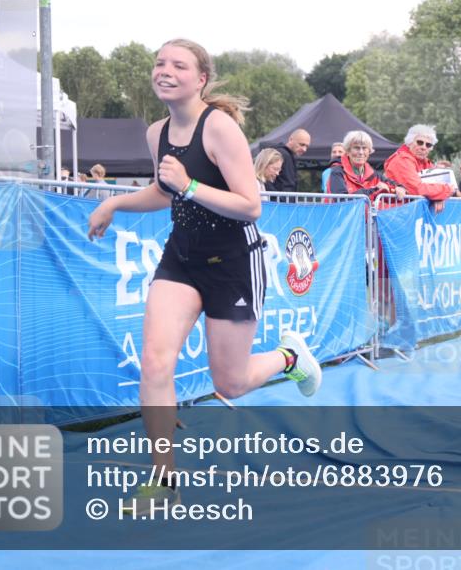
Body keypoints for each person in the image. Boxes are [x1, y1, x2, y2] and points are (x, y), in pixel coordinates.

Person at [86, 38, 321, 515]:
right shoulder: (156, 133)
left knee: (230, 384)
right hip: (182, 258)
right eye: (159, 63)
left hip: (233, 260)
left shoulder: (220, 129)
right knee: (154, 364)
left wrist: (190, 185)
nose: (164, 70)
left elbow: (250, 205)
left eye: (178, 65)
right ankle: (163, 480)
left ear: (201, 80)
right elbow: (163, 191)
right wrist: (113, 201)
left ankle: (290, 356)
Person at [383, 124, 454, 212]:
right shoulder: (401, 160)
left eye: (428, 145)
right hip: (397, 215)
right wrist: (445, 191)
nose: (423, 147)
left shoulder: (425, 162)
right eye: (420, 142)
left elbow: (436, 184)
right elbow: (416, 189)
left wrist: (439, 197)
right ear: (409, 142)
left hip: (411, 213)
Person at [327, 131, 406, 199]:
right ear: (347, 151)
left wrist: (399, 188)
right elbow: (342, 201)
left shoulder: (373, 174)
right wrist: (374, 190)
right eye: (357, 148)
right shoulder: (337, 171)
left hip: (364, 216)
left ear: (369, 152)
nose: (361, 152)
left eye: (364, 148)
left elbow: (390, 186)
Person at [266, 128, 310, 192]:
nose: (304, 149)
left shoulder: (287, 155)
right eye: (302, 144)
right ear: (290, 139)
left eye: (307, 146)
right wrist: (276, 199)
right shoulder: (280, 154)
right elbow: (266, 178)